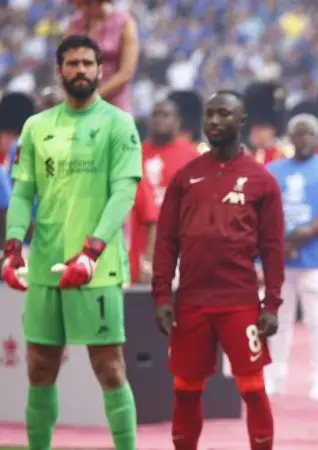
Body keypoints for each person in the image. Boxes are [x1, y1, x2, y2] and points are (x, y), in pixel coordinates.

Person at [1, 35, 142, 450]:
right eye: (72, 63)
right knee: (39, 368)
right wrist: (12, 248)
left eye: (88, 63)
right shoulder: (36, 128)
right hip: (44, 263)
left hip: (96, 268)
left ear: (100, 70)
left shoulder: (118, 124)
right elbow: (23, 193)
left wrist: (92, 250)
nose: (81, 70)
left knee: (110, 369)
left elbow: (123, 194)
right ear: (60, 70)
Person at [151, 90, 284, 450]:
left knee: (253, 389)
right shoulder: (185, 177)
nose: (213, 121)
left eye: (223, 114)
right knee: (185, 390)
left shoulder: (261, 180)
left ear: (241, 121)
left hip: (239, 301)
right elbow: (166, 242)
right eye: (209, 115)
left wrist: (271, 304)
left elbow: (273, 248)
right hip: (190, 301)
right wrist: (162, 295)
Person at [265, 113, 318, 401]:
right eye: (298, 133)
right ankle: (274, 376)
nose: (304, 138)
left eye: (309, 133)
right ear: (290, 137)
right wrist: (280, 243)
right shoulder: (274, 170)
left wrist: (306, 232)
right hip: (280, 257)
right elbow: (265, 209)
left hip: (315, 257)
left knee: (317, 320)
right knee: (278, 320)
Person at [132, 100, 198, 283]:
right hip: (141, 243)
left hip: (178, 243)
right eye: (155, 115)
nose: (159, 120)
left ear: (177, 121)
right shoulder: (136, 152)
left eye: (165, 115)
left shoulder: (190, 154)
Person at [67, 0, 139, 114]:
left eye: (85, 4)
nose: (81, 10)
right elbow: (67, 61)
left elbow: (127, 72)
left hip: (115, 102)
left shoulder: (124, 23)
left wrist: (95, 95)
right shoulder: (76, 25)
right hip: (80, 100)